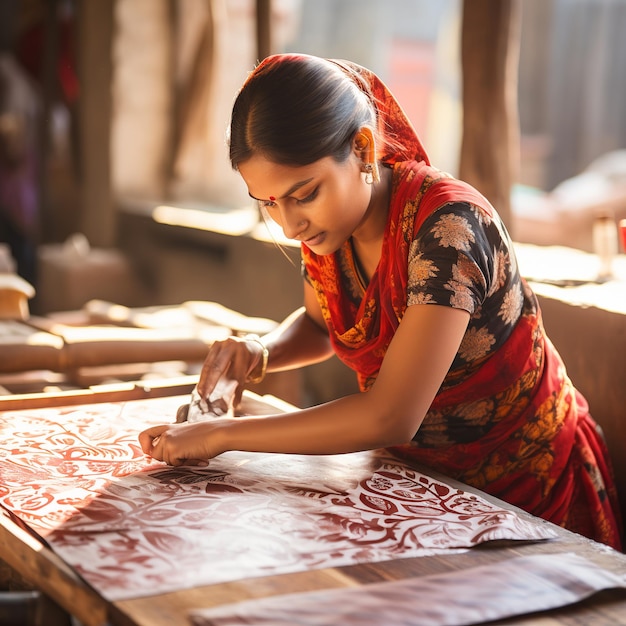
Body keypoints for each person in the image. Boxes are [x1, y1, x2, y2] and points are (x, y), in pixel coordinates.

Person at [139, 53, 622, 550]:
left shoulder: (448, 228)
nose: (288, 225)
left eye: (303, 194)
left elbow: (391, 415)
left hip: (522, 490)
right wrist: (261, 353)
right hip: (418, 482)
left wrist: (222, 435)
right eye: (268, 203)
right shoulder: (333, 227)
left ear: (363, 149)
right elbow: (319, 323)